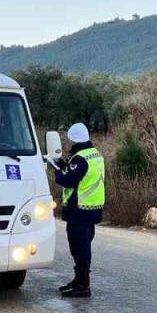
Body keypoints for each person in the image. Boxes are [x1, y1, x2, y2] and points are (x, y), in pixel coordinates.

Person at [52, 123, 105, 298]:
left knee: (79, 249)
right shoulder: (95, 154)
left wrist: (57, 170)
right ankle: (78, 281)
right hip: (92, 210)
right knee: (84, 246)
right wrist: (66, 165)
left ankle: (82, 286)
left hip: (79, 211)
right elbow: (82, 176)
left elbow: (67, 180)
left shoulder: (79, 158)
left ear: (73, 139)